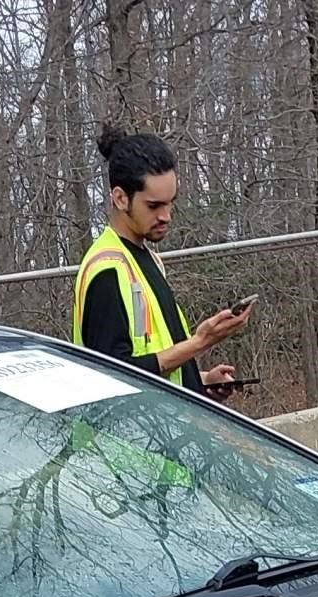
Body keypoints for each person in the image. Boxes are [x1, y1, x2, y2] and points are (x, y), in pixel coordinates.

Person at [73, 126, 254, 398]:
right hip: (126, 439)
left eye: (170, 203)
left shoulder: (148, 261)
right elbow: (112, 374)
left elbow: (155, 362)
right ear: (121, 198)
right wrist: (200, 342)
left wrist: (200, 381)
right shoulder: (107, 271)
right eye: (154, 206)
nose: (166, 216)